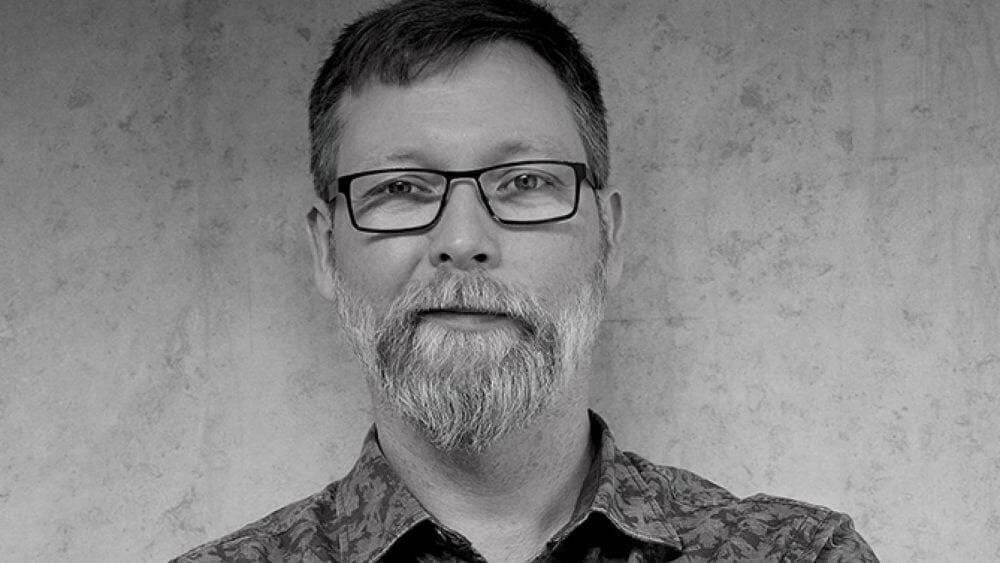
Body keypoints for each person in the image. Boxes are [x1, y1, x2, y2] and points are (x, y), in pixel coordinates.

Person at [172, 0, 878, 561]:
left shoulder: (800, 554)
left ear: (610, 238)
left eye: (526, 181)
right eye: (401, 188)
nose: (462, 241)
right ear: (328, 252)